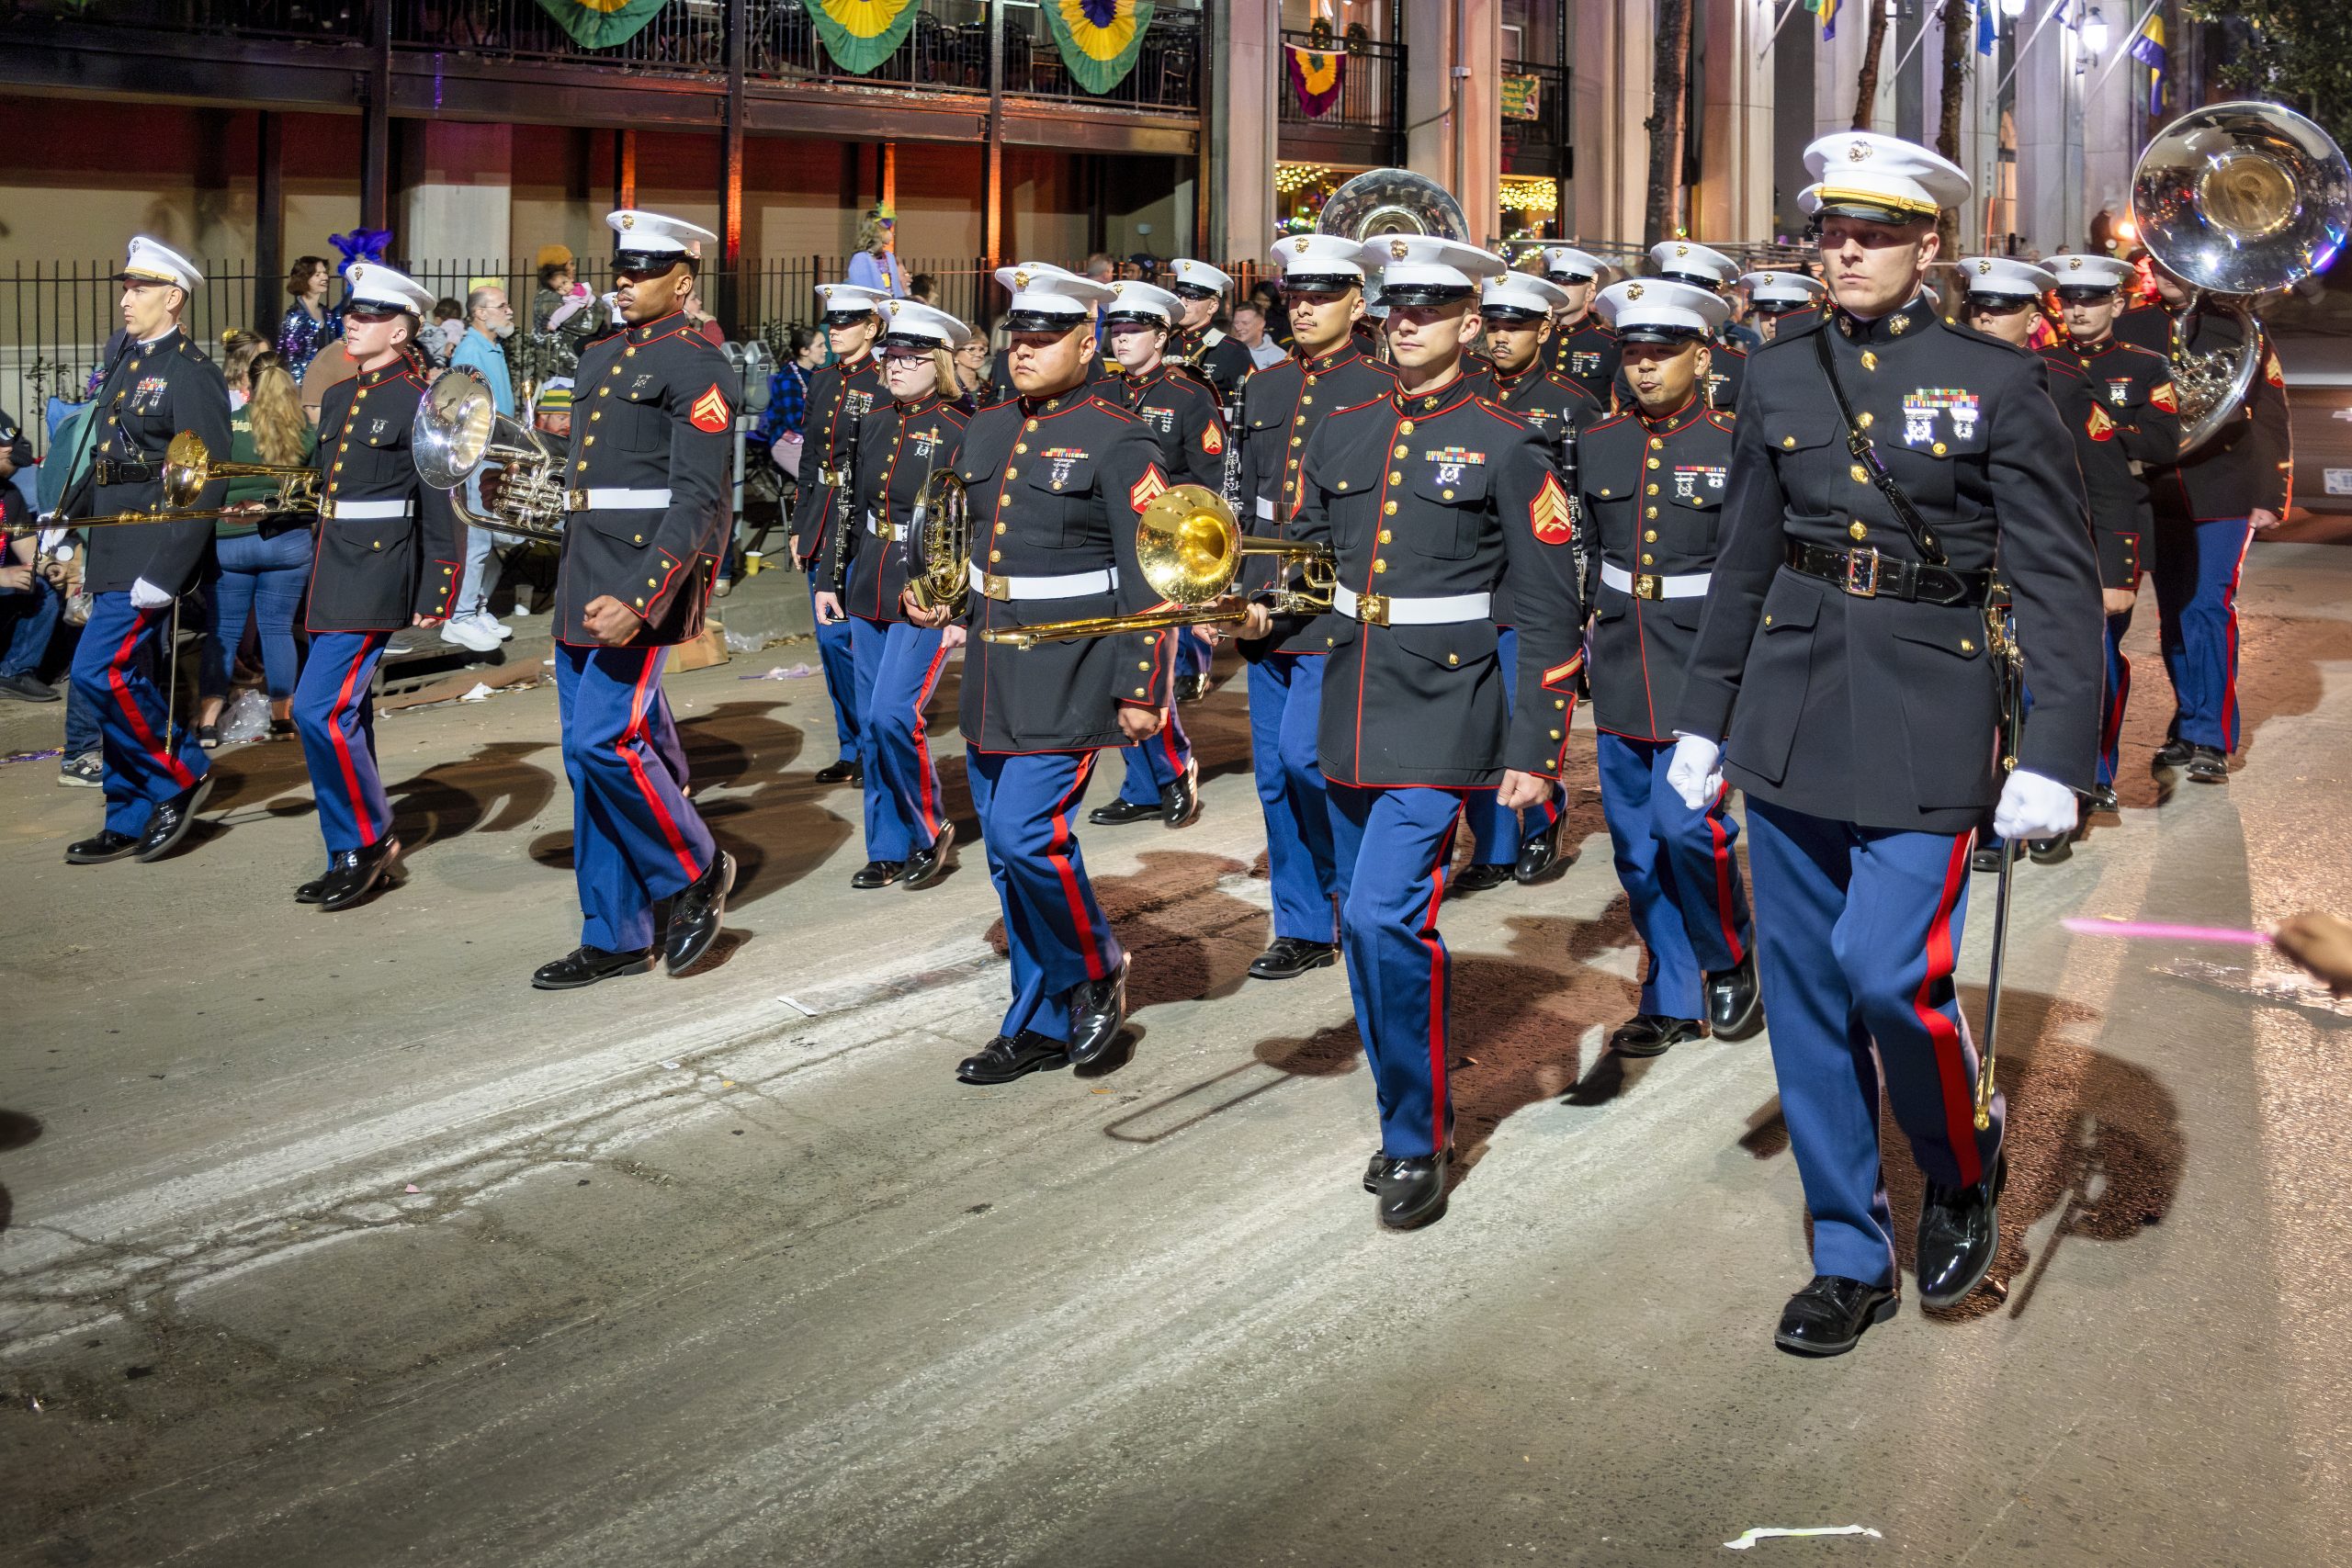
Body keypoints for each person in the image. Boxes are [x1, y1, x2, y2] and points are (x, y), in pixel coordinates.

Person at [1669, 134, 2101, 1354]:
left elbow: (2058, 583)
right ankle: (1848, 1249)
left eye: (1876, 232)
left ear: (1928, 246)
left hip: (1928, 706)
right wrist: (1707, 713)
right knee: (1806, 999)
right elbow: (1747, 550)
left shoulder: (1997, 381)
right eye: (1832, 230)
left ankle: (1960, 1167)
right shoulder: (1778, 367)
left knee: (1886, 974)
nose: (1847, 250)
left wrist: (2056, 750)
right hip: (1793, 709)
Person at [1239, 232, 1584, 1230]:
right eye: (1396, 308)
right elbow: (1308, 563)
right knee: (1360, 919)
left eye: (1430, 310)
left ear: (1469, 323)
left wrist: (1535, 746)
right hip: (1349, 692)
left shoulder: (1507, 440)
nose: (1407, 323)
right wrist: (1261, 615)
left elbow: (1550, 606)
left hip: (1445, 703)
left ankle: (1415, 1132)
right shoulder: (1342, 428)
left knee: (1388, 915)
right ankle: (1407, 1094)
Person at [899, 261, 1170, 1086]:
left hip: (1071, 660)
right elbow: (968, 536)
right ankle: (1039, 1020)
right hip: (991, 658)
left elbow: (1152, 569)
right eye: (1019, 335)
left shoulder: (1122, 436)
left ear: (1087, 342)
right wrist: (938, 595)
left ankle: (1093, 966)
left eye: (1046, 338)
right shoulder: (985, 426)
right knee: (1008, 861)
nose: (1025, 350)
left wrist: (1142, 682)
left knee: (1025, 836)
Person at [530, 209, 738, 990]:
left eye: (643, 269)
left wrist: (644, 599)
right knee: (587, 768)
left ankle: (696, 866)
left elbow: (698, 502)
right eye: (620, 267)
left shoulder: (697, 363)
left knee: (601, 744)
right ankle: (614, 932)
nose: (623, 279)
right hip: (583, 574)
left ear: (683, 280)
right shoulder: (600, 354)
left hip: (633, 585)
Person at [1577, 276, 1760, 1055]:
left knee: (1688, 829)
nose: (1645, 368)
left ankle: (1730, 954)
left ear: (1703, 354)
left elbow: (1754, 562)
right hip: (1623, 654)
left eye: (1663, 353)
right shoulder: (1598, 442)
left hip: (1703, 656)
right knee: (1636, 847)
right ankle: (1671, 991)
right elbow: (1588, 549)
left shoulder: (1733, 442)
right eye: (1634, 353)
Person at [1230, 232, 1397, 982]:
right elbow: (1243, 497)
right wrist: (1227, 588)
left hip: (1335, 601)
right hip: (1266, 597)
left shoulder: (1382, 387)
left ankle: (1357, 899)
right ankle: (1302, 923)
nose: (1303, 308)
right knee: (1274, 773)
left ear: (1357, 303)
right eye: (1295, 295)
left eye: (1323, 295)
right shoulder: (1262, 387)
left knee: (1314, 761)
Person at [284, 263, 459, 908]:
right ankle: (346, 848)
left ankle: (369, 839)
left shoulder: (423, 399)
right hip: (332, 566)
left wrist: (439, 587)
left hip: (381, 571)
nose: (353, 321)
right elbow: (330, 489)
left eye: (371, 315)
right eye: (352, 311)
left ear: (404, 327)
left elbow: (438, 500)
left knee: (316, 708)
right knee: (346, 713)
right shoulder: (336, 396)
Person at [58, 236, 233, 865]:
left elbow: (206, 477)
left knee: (96, 673)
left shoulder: (192, 372)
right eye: (126, 287)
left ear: (173, 297)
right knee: (120, 677)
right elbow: (105, 451)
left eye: (138, 289)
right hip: (110, 537)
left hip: (150, 549)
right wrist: (66, 518)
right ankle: (127, 811)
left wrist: (169, 569)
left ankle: (178, 773)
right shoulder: (124, 354)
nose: (125, 299)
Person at [2111, 256, 2290, 784]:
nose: (2164, 274)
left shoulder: (2238, 326)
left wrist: (2270, 493)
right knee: (2174, 615)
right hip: (2157, 487)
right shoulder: (2132, 326)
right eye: (2157, 265)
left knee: (2208, 608)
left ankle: (2213, 735)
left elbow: (2271, 412)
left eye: (2176, 266)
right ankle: (2188, 721)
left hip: (2226, 488)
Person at [1454, 266, 1603, 891]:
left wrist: (1586, 591)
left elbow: (1589, 505)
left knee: (1522, 709)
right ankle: (1490, 846)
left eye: (1516, 325)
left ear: (1544, 328)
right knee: (1470, 717)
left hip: (1531, 580)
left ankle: (1541, 815)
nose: (1501, 336)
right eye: (1494, 324)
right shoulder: (1464, 390)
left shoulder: (1574, 402)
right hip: (1468, 579)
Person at [811, 298, 967, 891]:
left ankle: (929, 830)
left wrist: (958, 607)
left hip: (926, 584)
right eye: (891, 354)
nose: (896, 365)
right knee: (873, 724)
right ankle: (888, 844)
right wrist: (830, 578)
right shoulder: (872, 422)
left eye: (910, 356)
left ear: (939, 362)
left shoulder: (960, 429)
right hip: (869, 578)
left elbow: (969, 521)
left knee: (891, 714)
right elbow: (849, 508)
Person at [2044, 252, 2183, 806]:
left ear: (2118, 304)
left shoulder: (2147, 365)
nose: (2078, 309)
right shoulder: (2043, 364)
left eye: (2092, 299)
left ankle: (2098, 773)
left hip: (2115, 525)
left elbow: (2161, 442)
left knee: (2099, 654)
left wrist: (2097, 433)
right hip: (2053, 522)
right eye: (2069, 299)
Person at [1086, 278, 1222, 833]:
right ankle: (1140, 784)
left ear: (1162, 335)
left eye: (1134, 329)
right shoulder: (1100, 393)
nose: (1121, 340)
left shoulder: (1189, 395)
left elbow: (1210, 484)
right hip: (1107, 545)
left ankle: (1173, 768)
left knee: (1149, 668)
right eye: (1115, 329)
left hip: (1166, 551)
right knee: (1112, 669)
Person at [793, 281, 889, 785]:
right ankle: (850, 745)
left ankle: (874, 745)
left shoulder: (886, 379)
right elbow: (811, 459)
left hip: (864, 525)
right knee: (832, 645)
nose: (835, 331)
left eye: (847, 322)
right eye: (831, 323)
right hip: (823, 520)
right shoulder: (823, 380)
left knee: (860, 641)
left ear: (872, 328)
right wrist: (799, 522)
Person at [198, 347, 314, 746]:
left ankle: (208, 722)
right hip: (286, 542)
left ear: (246, 383)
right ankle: (283, 717)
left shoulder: (226, 426)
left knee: (223, 632)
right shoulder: (304, 431)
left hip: (230, 539)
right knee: (277, 629)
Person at [441, 283, 521, 653]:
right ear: (480, 313)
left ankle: (477, 608)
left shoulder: (491, 346)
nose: (508, 310)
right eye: (501, 305)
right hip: (478, 455)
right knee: (477, 537)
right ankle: (459, 616)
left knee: (488, 538)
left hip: (495, 453)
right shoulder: (472, 349)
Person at [1642, 241, 1746, 410]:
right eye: (1673, 295)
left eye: (1692, 297)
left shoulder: (1737, 366)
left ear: (1712, 301)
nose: (1680, 304)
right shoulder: (1640, 360)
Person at [0, 405, 58, 703]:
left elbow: (27, 550)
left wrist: (49, 567)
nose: (8, 450)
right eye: (1, 444)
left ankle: (14, 670)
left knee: (43, 588)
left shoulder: (8, 494)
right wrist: (2, 575)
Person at [1164, 258, 1257, 402]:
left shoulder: (1232, 350)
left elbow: (1254, 399)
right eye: (1179, 295)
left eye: (1192, 297)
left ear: (1212, 307)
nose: (1183, 302)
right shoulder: (1167, 344)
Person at [1539, 245, 1621, 406]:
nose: (1559, 289)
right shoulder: (1538, 338)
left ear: (1590, 293)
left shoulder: (1609, 343)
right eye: (1555, 283)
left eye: (1567, 283)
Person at [533, 244, 600, 380]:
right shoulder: (549, 298)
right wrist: (599, 305)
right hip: (559, 372)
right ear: (558, 269)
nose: (574, 268)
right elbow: (588, 325)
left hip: (567, 368)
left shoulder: (566, 294)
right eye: (570, 264)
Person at [277, 254, 338, 379]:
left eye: (324, 273)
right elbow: (291, 360)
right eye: (317, 275)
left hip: (327, 381)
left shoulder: (327, 314)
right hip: (302, 387)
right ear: (304, 279)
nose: (325, 277)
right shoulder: (295, 316)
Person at [1737, 269, 1828, 344]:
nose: (1772, 321)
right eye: (1766, 312)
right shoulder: (1756, 362)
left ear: (1803, 312)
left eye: (1782, 312)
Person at [845, 204, 908, 299]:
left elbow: (896, 289)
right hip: (872, 310)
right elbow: (862, 290)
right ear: (878, 230)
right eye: (889, 229)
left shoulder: (889, 257)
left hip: (890, 308)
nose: (893, 233)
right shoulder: (861, 259)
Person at [1230, 300, 1288, 371]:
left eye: (1245, 323)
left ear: (1261, 324)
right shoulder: (1227, 353)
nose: (1238, 328)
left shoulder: (1279, 357)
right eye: (1236, 323)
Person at [950, 325, 990, 412]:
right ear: (955, 355)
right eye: (971, 349)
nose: (979, 354)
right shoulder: (948, 389)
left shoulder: (988, 387)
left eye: (982, 349)